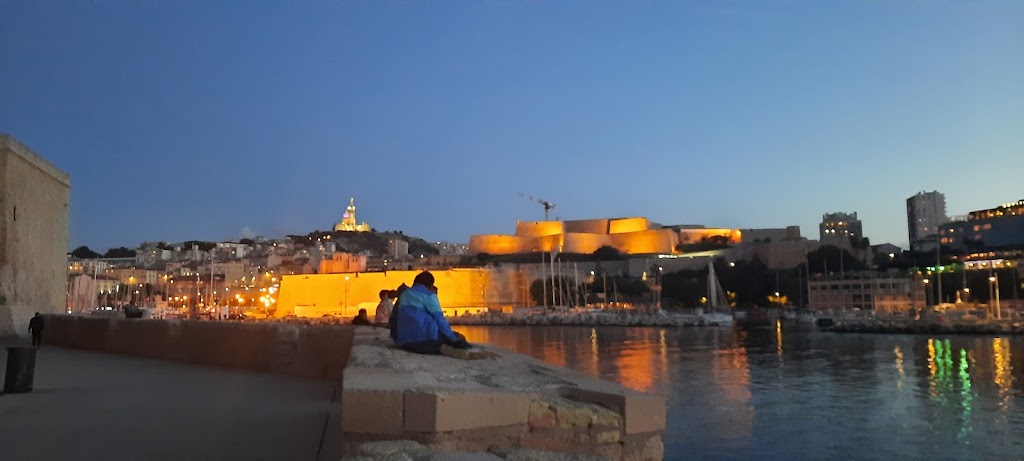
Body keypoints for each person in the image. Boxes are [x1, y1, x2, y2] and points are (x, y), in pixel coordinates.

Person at [393, 271, 470, 354]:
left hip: (404, 342)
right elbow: (439, 319)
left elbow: (394, 319)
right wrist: (453, 338)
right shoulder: (429, 295)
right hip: (426, 340)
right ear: (430, 285)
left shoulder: (404, 294)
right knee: (459, 338)